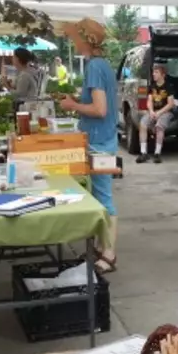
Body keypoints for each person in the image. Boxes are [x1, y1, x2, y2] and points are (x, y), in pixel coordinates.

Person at [60, 18, 119, 274]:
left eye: (75, 38)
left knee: (104, 197)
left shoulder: (94, 67)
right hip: (102, 140)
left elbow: (99, 109)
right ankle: (101, 245)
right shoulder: (102, 65)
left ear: (85, 40)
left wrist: (73, 106)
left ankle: (109, 253)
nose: (73, 42)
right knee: (99, 194)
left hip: (99, 143)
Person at [137, 63, 175, 164]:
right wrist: (151, 111)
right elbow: (149, 101)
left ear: (163, 75)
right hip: (154, 111)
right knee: (143, 124)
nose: (153, 74)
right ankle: (143, 153)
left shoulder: (168, 86)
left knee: (159, 126)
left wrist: (159, 113)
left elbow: (171, 104)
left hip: (165, 112)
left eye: (156, 72)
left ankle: (157, 154)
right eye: (153, 72)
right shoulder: (151, 86)